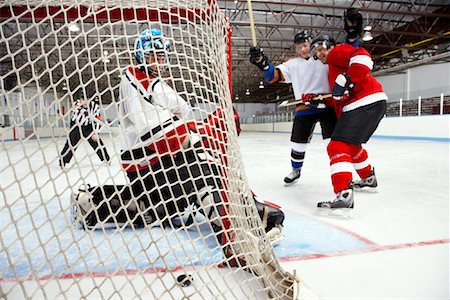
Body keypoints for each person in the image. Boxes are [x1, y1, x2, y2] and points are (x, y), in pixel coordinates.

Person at [70, 28, 285, 245]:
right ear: (140, 56)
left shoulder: (158, 85)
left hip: (156, 164)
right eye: (151, 57)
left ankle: (93, 202)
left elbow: (183, 119)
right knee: (200, 169)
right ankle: (236, 223)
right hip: (149, 162)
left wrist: (207, 128)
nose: (156, 62)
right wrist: (204, 133)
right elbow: (157, 130)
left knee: (160, 207)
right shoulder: (135, 77)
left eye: (161, 57)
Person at [310, 35, 387, 216]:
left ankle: (343, 193)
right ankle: (368, 178)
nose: (319, 53)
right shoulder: (332, 70)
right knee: (352, 147)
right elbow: (338, 98)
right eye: (316, 52)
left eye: (321, 48)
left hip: (364, 102)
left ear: (330, 46)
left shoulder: (337, 52)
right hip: (372, 102)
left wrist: (346, 79)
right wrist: (317, 102)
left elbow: (363, 57)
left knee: (336, 146)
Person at [249, 30, 337, 185]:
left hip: (328, 106)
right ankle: (296, 170)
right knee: (298, 142)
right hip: (304, 107)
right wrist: (262, 63)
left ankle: (342, 171)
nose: (303, 49)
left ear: (312, 43)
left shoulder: (324, 58)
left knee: (335, 144)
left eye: (305, 45)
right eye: (299, 47)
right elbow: (272, 76)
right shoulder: (293, 64)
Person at [59, 96, 110, 168]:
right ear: (80, 99)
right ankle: (63, 161)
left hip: (88, 126)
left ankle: (106, 159)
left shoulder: (95, 106)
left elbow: (98, 119)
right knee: (71, 143)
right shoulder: (76, 103)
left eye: (88, 99)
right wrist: (84, 111)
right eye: (83, 99)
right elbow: (76, 110)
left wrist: (95, 133)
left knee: (97, 142)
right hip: (76, 126)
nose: (85, 101)